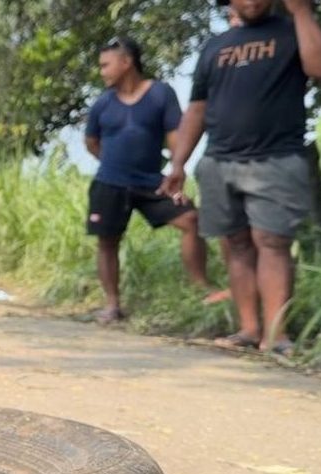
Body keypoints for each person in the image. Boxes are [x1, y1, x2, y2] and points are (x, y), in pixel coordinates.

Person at [159, 0, 321, 355]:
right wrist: (178, 163)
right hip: (219, 160)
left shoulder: (291, 33)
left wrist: (301, 11)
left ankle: (277, 334)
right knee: (236, 244)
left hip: (275, 159)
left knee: (272, 242)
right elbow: (197, 108)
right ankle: (249, 328)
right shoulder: (215, 46)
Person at [84, 37, 217, 324]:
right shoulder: (102, 103)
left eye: (106, 65)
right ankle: (112, 304)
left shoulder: (160, 94)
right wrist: (114, 163)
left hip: (151, 182)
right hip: (110, 183)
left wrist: (177, 169)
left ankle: (202, 289)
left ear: (126, 62)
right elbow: (91, 142)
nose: (102, 71)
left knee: (191, 220)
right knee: (107, 241)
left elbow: (175, 138)